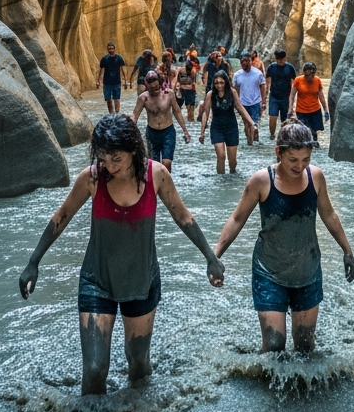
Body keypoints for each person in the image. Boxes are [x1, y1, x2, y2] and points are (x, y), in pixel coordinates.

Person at [18, 114, 224, 395]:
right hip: (97, 282)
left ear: (133, 150)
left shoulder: (156, 175)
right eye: (103, 159)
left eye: (115, 158)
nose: (109, 166)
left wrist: (210, 257)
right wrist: (33, 262)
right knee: (94, 369)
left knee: (138, 364)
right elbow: (62, 216)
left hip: (141, 281)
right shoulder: (92, 178)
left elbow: (181, 215)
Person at [214, 119, 354, 353]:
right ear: (278, 152)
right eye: (293, 160)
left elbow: (329, 215)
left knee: (305, 346)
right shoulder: (262, 180)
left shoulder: (316, 177)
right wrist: (215, 256)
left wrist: (347, 251)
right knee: (273, 345)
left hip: (307, 272)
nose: (300, 166)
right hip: (269, 272)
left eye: (306, 159)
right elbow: (237, 219)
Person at [132, 70, 190, 172]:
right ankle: (156, 187)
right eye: (151, 89)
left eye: (156, 88)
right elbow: (135, 117)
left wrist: (185, 131)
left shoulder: (169, 94)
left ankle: (167, 186)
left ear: (160, 84)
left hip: (168, 132)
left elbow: (177, 112)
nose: (154, 90)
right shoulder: (143, 98)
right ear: (147, 86)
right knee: (154, 166)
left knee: (166, 163)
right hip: (152, 133)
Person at [199, 71, 256, 174]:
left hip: (231, 128)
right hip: (217, 128)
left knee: (232, 162)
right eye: (216, 83)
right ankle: (221, 182)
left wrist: (252, 123)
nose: (219, 85)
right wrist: (202, 132)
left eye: (221, 82)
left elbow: (240, 108)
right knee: (221, 156)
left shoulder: (232, 92)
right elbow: (205, 113)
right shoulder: (210, 94)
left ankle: (231, 179)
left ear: (226, 82)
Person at [289, 62, 329, 142]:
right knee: (305, 129)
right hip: (301, 110)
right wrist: (290, 108)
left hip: (315, 110)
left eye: (312, 75)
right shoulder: (298, 80)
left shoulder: (317, 81)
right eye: (308, 75)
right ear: (304, 73)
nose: (310, 77)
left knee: (314, 130)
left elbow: (321, 97)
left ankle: (314, 144)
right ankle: (307, 145)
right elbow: (292, 95)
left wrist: (326, 110)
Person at [233, 51, 266, 145]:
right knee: (246, 124)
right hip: (243, 103)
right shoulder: (237, 75)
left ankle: (251, 142)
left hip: (255, 102)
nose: (244, 63)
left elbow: (263, 86)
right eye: (242, 61)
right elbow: (235, 89)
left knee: (253, 123)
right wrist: (236, 102)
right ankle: (249, 141)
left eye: (246, 61)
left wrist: (263, 101)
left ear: (250, 61)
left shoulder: (258, 73)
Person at [265, 48, 297, 139]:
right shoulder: (271, 67)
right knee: (273, 115)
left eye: (282, 59)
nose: (280, 61)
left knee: (285, 118)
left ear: (285, 58)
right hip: (274, 96)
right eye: (278, 59)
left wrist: (293, 96)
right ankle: (272, 134)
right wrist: (265, 96)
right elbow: (267, 82)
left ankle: (284, 135)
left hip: (286, 96)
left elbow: (294, 82)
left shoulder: (290, 68)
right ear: (275, 58)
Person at [97, 42, 127, 113]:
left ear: (114, 49)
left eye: (112, 48)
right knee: (108, 100)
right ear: (107, 50)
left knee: (117, 99)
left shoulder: (119, 58)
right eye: (109, 49)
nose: (111, 50)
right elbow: (101, 71)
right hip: (107, 83)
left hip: (117, 82)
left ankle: (116, 115)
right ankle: (111, 115)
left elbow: (123, 70)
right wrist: (98, 81)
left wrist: (126, 81)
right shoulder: (104, 59)